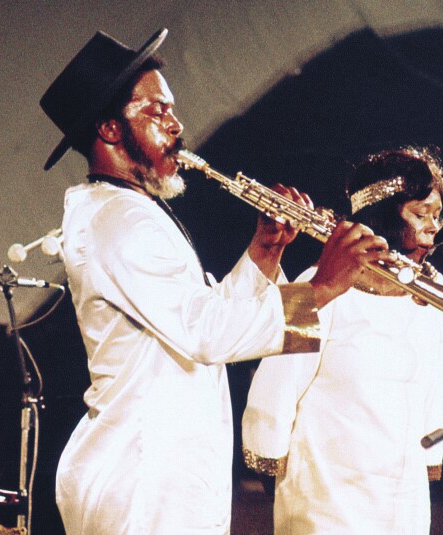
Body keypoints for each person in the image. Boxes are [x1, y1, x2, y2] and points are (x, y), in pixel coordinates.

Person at [39, 28, 392, 534]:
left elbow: (200, 320)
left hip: (161, 477)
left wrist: (264, 252)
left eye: (172, 109)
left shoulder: (129, 210)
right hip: (141, 485)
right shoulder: (119, 220)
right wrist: (323, 288)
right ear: (110, 130)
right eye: (156, 111)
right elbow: (208, 336)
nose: (176, 125)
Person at [242, 146, 443, 534]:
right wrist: (274, 478)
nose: (432, 227)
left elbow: (432, 398)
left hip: (402, 507)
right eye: (420, 214)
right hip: (325, 506)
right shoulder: (317, 288)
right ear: (384, 214)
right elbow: (272, 395)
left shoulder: (432, 299)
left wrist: (424, 470)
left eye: (436, 216)